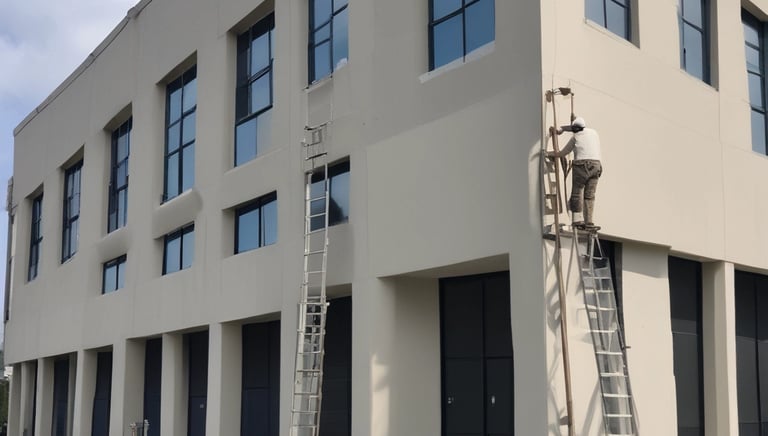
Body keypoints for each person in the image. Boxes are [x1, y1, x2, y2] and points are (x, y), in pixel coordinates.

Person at [549, 116, 602, 229]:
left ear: (574, 129)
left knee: (577, 193)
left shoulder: (575, 138)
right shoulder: (593, 132)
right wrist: (563, 129)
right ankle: (589, 222)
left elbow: (563, 153)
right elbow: (576, 128)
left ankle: (577, 220)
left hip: (582, 165)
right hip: (596, 165)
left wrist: (550, 154)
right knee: (589, 196)